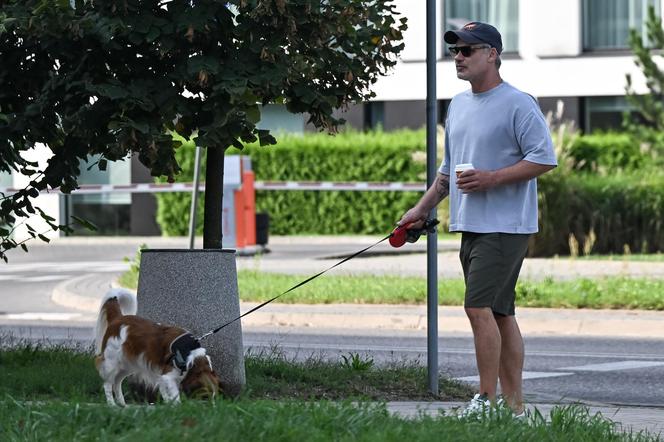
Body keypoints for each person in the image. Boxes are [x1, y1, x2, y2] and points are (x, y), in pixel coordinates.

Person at [397, 22, 557, 417]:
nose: (459, 58)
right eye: (455, 51)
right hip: (471, 224)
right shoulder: (458, 105)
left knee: (477, 307)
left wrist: (492, 178)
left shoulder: (519, 103)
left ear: (493, 54)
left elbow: (543, 158)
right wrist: (420, 210)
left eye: (468, 51)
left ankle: (486, 401)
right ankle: (516, 411)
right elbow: (447, 173)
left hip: (505, 226)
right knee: (501, 313)